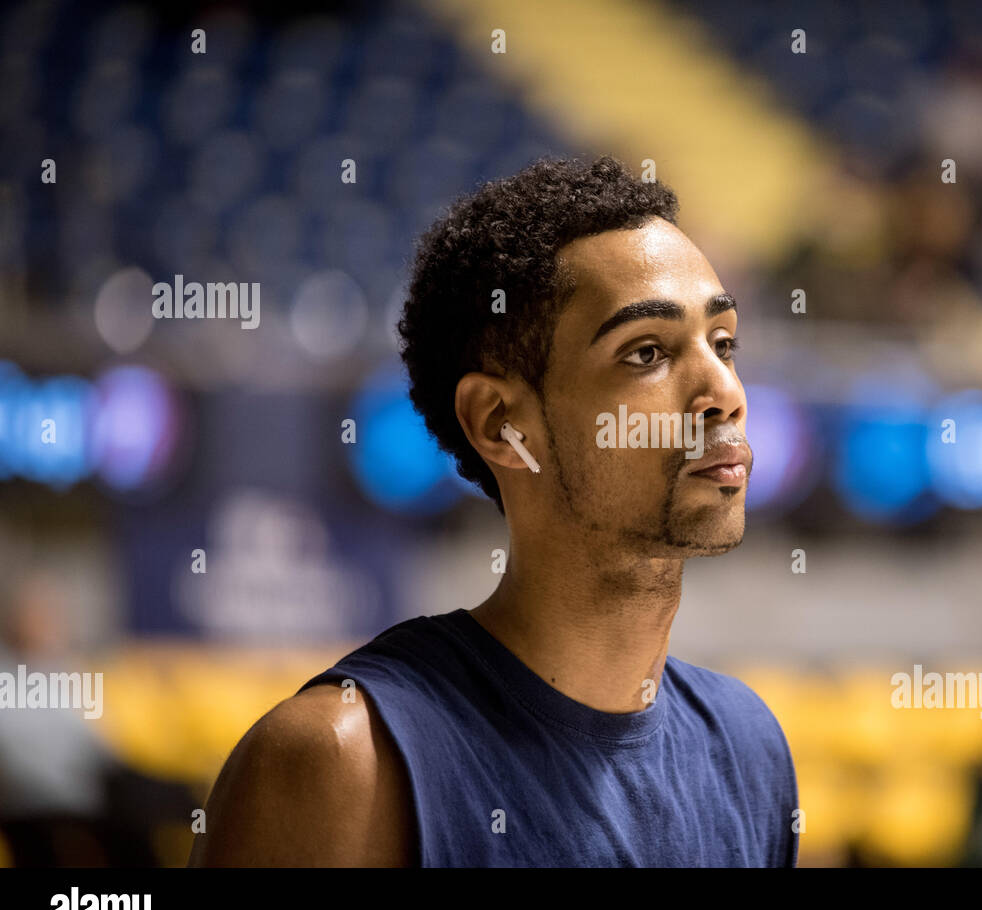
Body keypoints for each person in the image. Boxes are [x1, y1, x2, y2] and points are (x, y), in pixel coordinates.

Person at [189, 155, 799, 866]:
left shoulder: (751, 750)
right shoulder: (342, 763)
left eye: (723, 342)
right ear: (502, 421)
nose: (723, 391)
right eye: (646, 353)